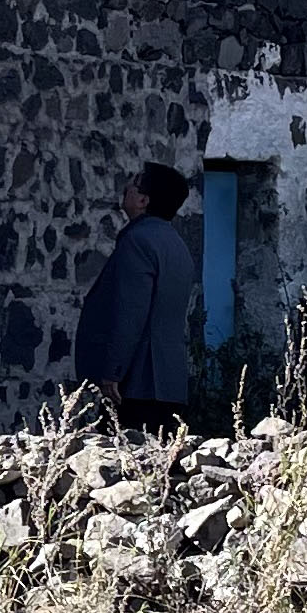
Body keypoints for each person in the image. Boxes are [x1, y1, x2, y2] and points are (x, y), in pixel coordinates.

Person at [71, 162, 199, 431]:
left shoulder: (138, 241)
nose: (126, 186)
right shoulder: (176, 244)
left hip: (137, 384)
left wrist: (113, 371)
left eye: (134, 182)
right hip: (167, 383)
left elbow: (130, 312)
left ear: (143, 200)